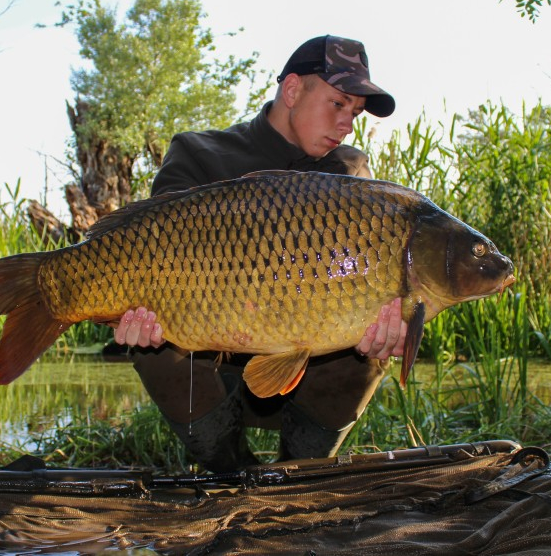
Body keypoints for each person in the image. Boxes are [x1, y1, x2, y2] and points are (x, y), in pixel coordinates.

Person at [114, 35, 407, 472]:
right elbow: (151, 253)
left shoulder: (348, 174)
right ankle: (230, 472)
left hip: (309, 377)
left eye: (355, 113)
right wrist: (141, 316)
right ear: (292, 90)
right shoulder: (199, 154)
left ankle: (298, 472)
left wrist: (394, 327)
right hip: (215, 376)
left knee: (363, 352)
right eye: (338, 104)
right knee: (156, 350)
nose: (347, 124)